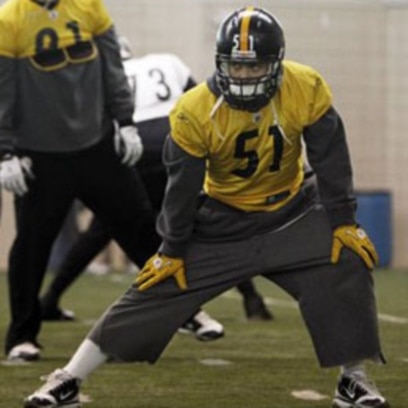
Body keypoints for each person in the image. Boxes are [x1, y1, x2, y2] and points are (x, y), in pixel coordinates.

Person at [24, 6, 388, 408]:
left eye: (256, 67)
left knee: (348, 259)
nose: (245, 77)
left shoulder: (306, 86)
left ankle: (353, 379)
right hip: (223, 220)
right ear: (219, 62)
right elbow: (181, 189)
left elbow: (330, 156)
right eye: (236, 66)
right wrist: (172, 249)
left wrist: (343, 220)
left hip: (293, 213)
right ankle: (69, 378)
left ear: (278, 62)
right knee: (153, 286)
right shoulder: (194, 109)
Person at [39, 35, 272, 333]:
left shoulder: (101, 77)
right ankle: (251, 298)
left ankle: (51, 299)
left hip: (132, 148)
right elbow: (205, 103)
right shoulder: (166, 61)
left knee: (103, 228)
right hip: (175, 138)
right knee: (205, 221)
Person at [0, 0, 162, 362]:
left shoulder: (89, 6)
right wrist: (5, 151)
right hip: (40, 151)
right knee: (31, 247)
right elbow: (2, 88)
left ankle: (182, 311)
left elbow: (113, 68)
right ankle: (21, 335)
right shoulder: (9, 19)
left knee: (138, 223)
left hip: (95, 142)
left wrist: (126, 120)